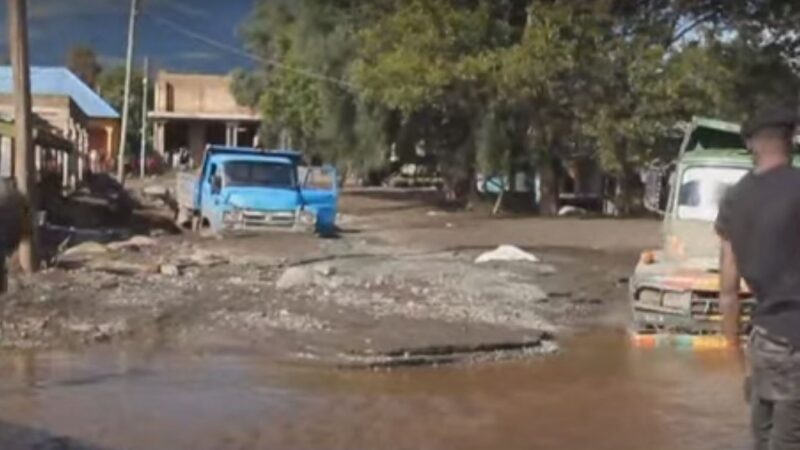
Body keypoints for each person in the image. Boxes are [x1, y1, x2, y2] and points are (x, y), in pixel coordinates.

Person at [716, 105, 800, 450]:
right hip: (796, 340)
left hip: (762, 340)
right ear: (792, 139)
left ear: (751, 144)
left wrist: (738, 360)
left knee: (762, 436)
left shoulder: (734, 198)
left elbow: (728, 288)